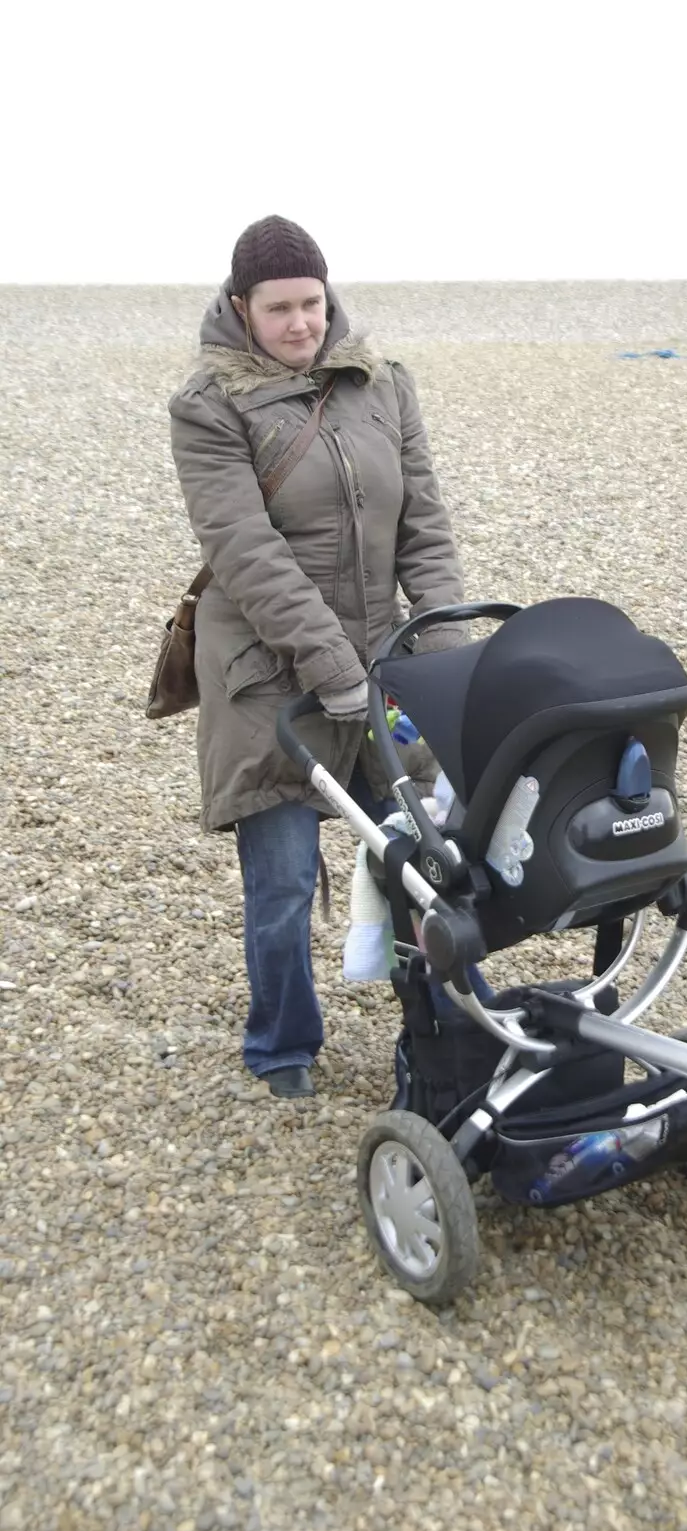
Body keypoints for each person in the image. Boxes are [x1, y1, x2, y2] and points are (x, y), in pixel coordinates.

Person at [168, 216, 465, 1099]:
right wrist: (332, 669)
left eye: (312, 303)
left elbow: (426, 527)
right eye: (280, 308)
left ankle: (443, 1032)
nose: (301, 324)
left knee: (419, 860)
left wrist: (444, 654)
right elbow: (244, 551)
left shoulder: (382, 386)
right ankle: (283, 1046)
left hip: (380, 669)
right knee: (286, 880)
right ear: (240, 308)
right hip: (267, 679)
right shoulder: (208, 408)